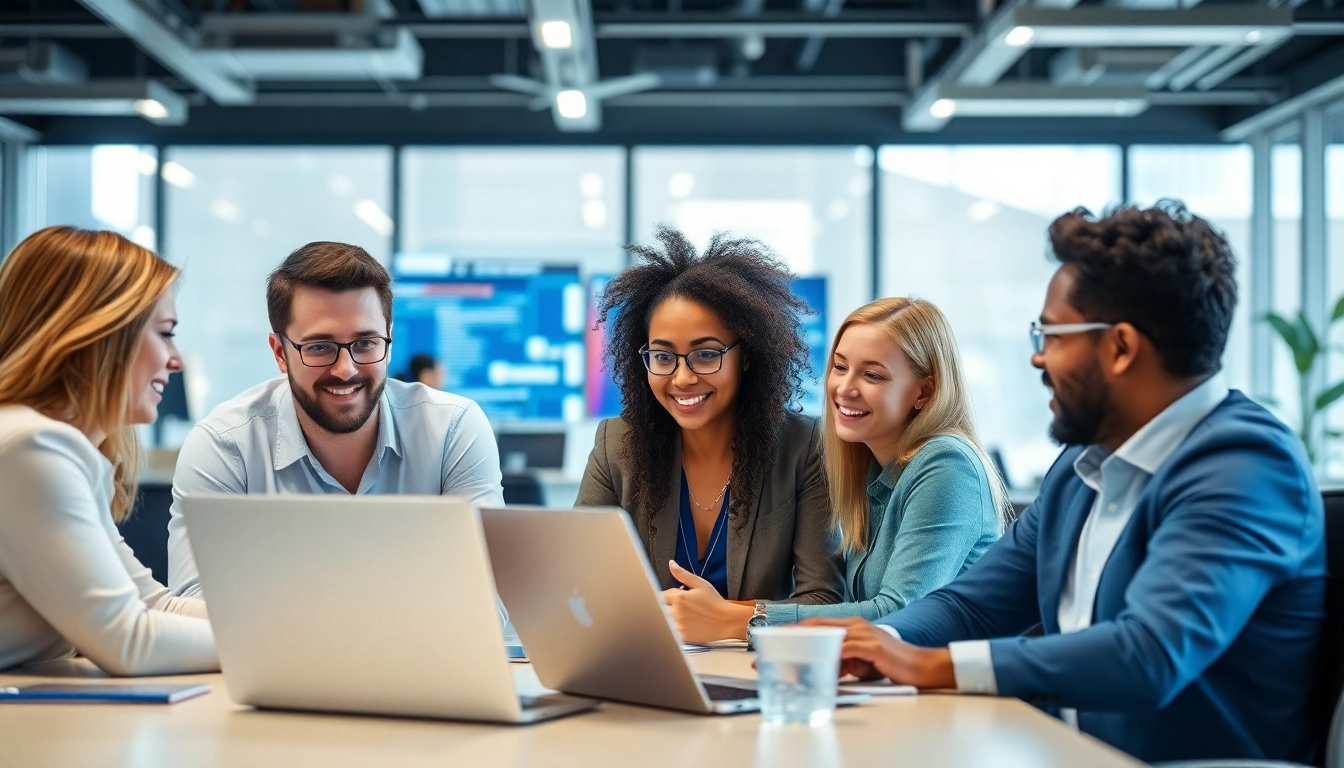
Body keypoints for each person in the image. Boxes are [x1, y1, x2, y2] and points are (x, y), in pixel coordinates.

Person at [802, 203, 1325, 764]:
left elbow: (1149, 654)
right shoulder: (1083, 466)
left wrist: (935, 664)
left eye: (1051, 334)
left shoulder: (1245, 467)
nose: (1037, 357)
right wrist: (882, 642)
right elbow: (972, 608)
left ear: (1120, 347)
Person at [167, 242, 505, 598]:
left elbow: (487, 595)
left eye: (366, 343)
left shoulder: (452, 430)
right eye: (319, 347)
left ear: (388, 343)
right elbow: (193, 603)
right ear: (280, 353)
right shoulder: (225, 445)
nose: (346, 369)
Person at [663, 298, 1007, 644]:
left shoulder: (947, 464)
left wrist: (740, 621)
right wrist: (714, 613)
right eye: (840, 367)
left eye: (872, 375)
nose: (844, 388)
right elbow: (854, 608)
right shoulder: (868, 468)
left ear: (925, 391)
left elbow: (898, 614)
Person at [577, 226, 843, 613]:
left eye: (705, 355)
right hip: (646, 648)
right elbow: (579, 581)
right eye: (663, 357)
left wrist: (726, 618)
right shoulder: (616, 445)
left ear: (746, 355)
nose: (682, 378)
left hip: (755, 653)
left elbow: (823, 597)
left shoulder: (804, 447)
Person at [0, 226, 217, 675]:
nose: (175, 360)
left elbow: (154, 605)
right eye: (165, 333)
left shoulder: (51, 448)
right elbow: (129, 639)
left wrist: (296, 626)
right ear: (103, 333)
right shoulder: (31, 448)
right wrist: (293, 642)